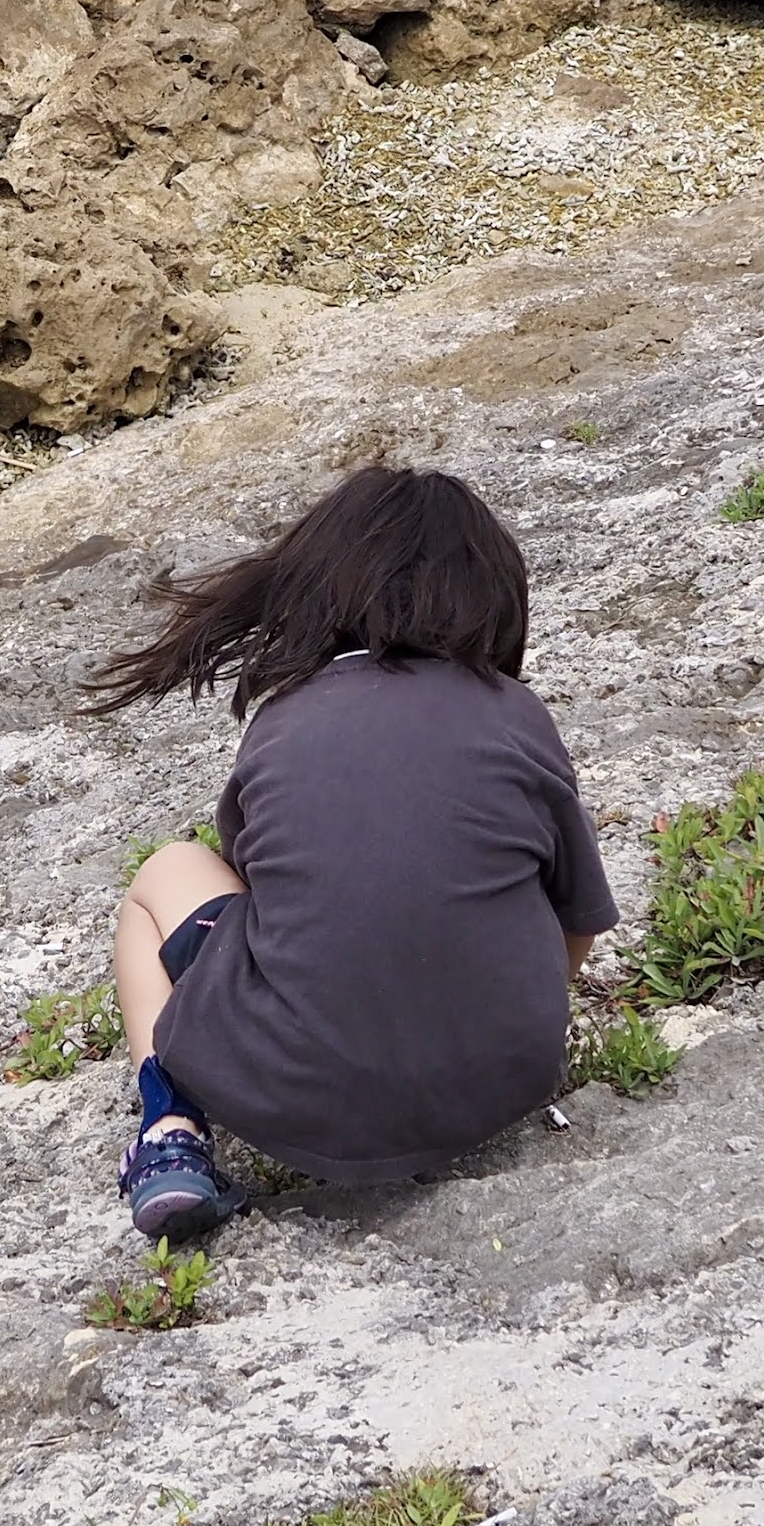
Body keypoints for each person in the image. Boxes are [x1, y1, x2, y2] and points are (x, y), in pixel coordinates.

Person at [82, 464, 614, 1238]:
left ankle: (169, 1134)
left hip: (297, 1099)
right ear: (492, 596)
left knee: (164, 874)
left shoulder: (286, 718)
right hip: (503, 1083)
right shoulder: (517, 715)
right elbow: (580, 920)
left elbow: (271, 894)